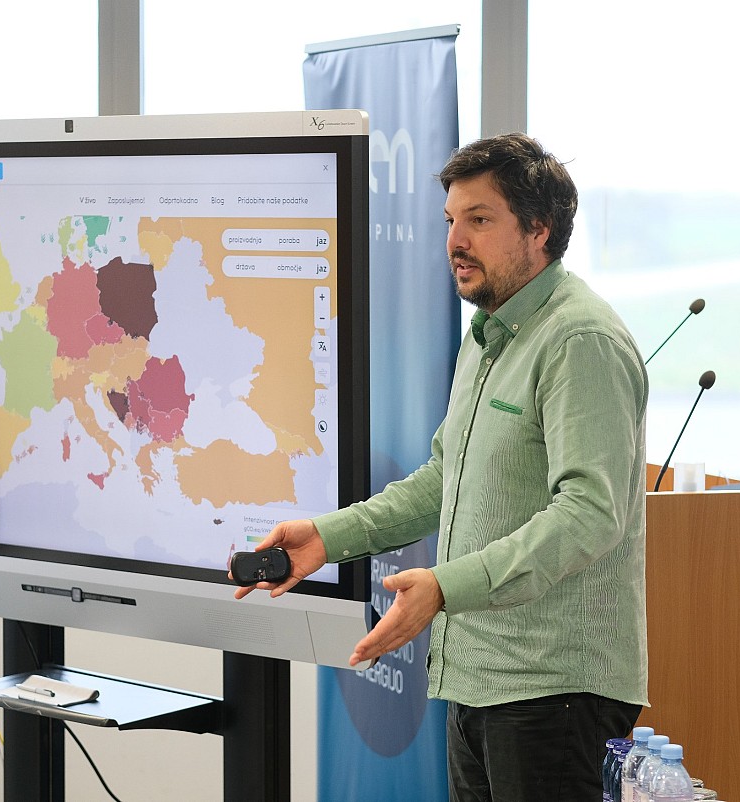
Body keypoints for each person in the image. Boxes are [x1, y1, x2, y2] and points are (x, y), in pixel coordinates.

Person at [235, 132, 648, 802]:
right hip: (477, 681)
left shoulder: (579, 340)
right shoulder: (487, 335)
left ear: (539, 230)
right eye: (451, 220)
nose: (456, 240)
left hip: (555, 693)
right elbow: (442, 479)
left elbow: (590, 515)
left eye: (479, 220)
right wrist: (328, 538)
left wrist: (445, 586)